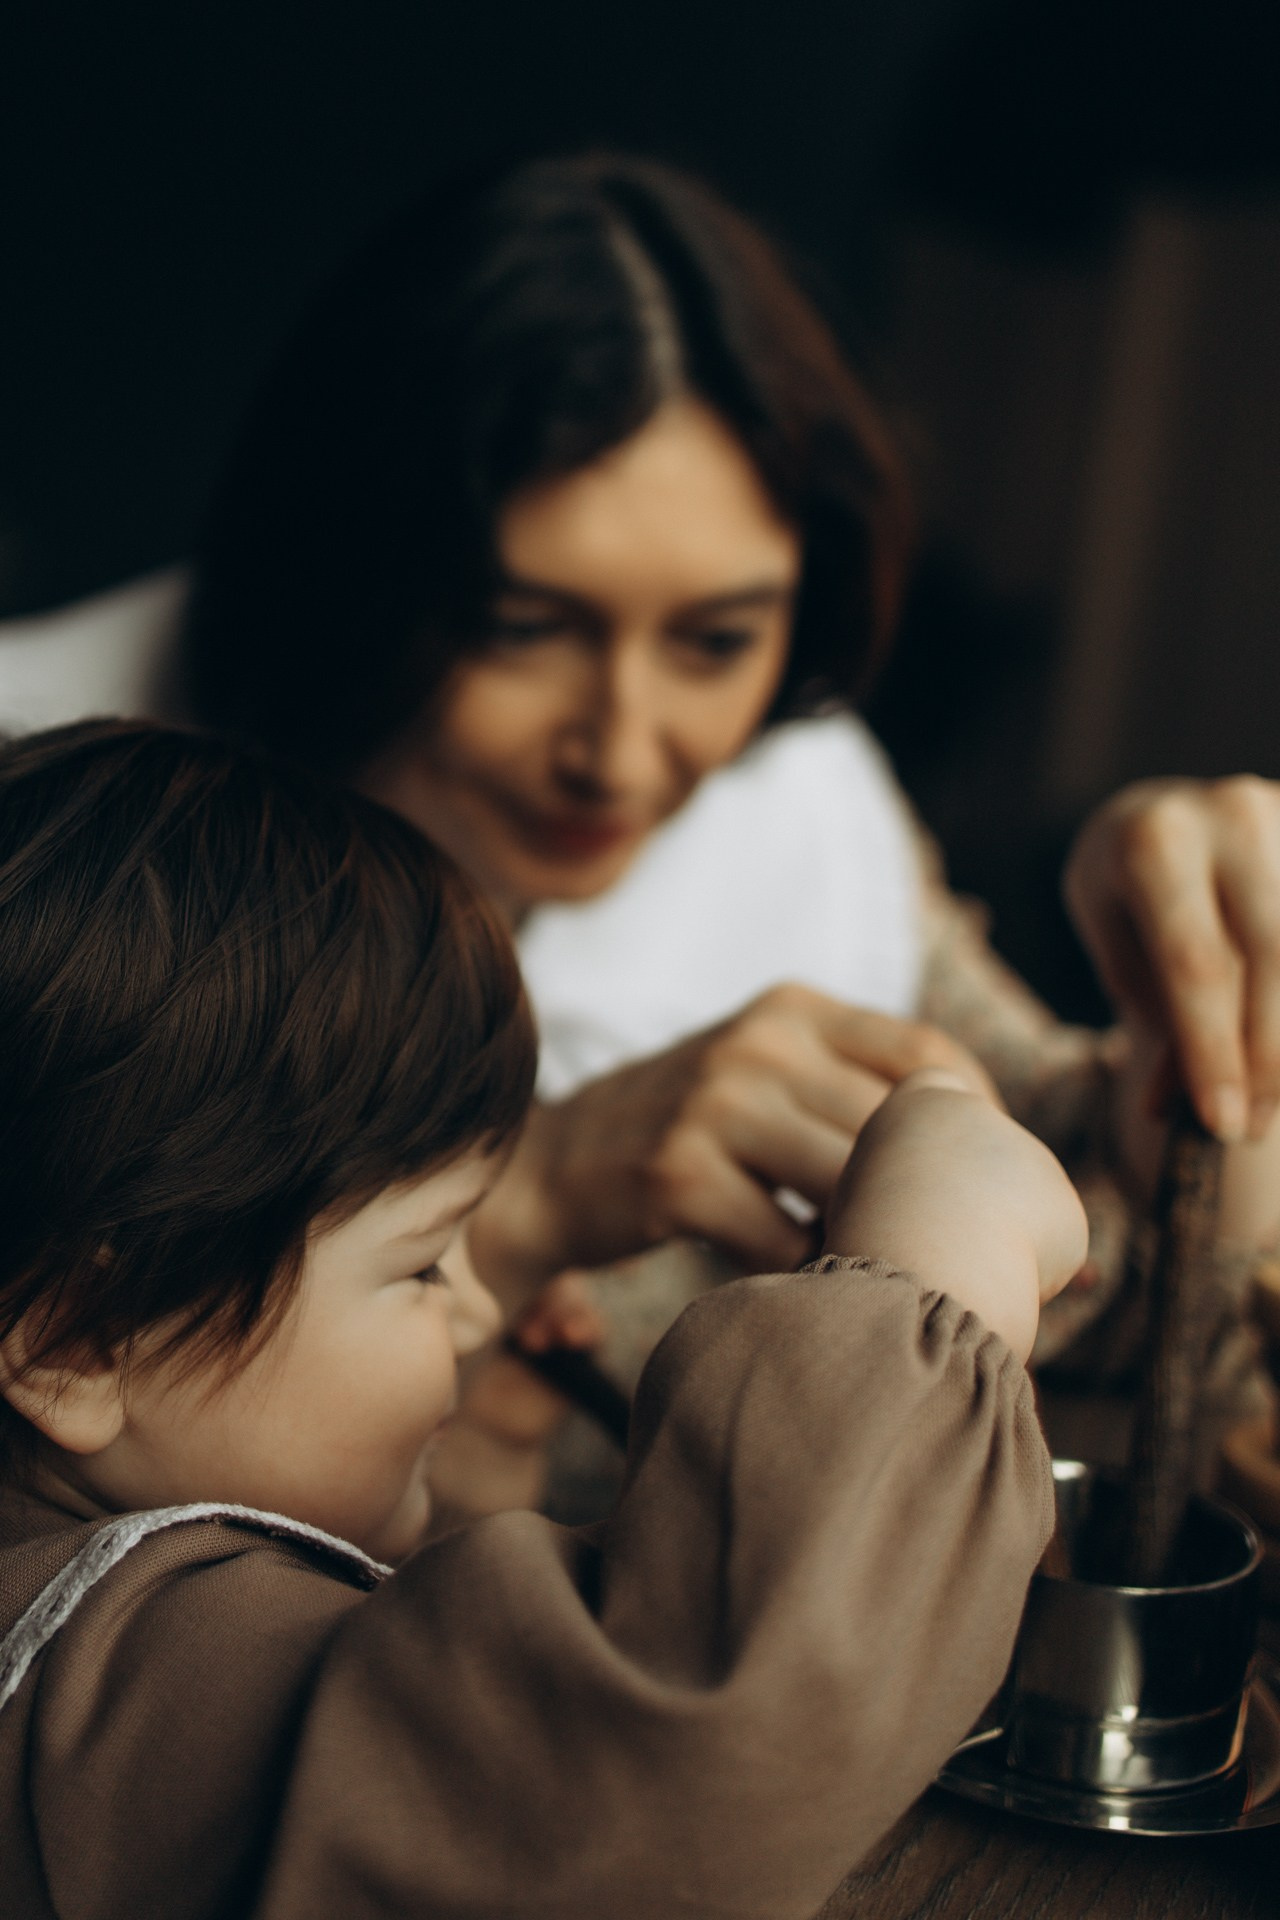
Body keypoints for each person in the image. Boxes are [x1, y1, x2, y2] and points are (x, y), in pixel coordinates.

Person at [5, 152, 1278, 1505]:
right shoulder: (48, 833)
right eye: (522, 629)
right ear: (346, 566)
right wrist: (527, 1199)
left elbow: (1065, 1167)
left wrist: (1195, 1068)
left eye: (716, 640)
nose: (618, 754)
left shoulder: (796, 802)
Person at [0, 718, 1088, 1918]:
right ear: (75, 1341)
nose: (475, 1309)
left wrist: (478, 1483)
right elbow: (674, 1744)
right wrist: (929, 1279)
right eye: (421, 1267)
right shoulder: (112, 1665)